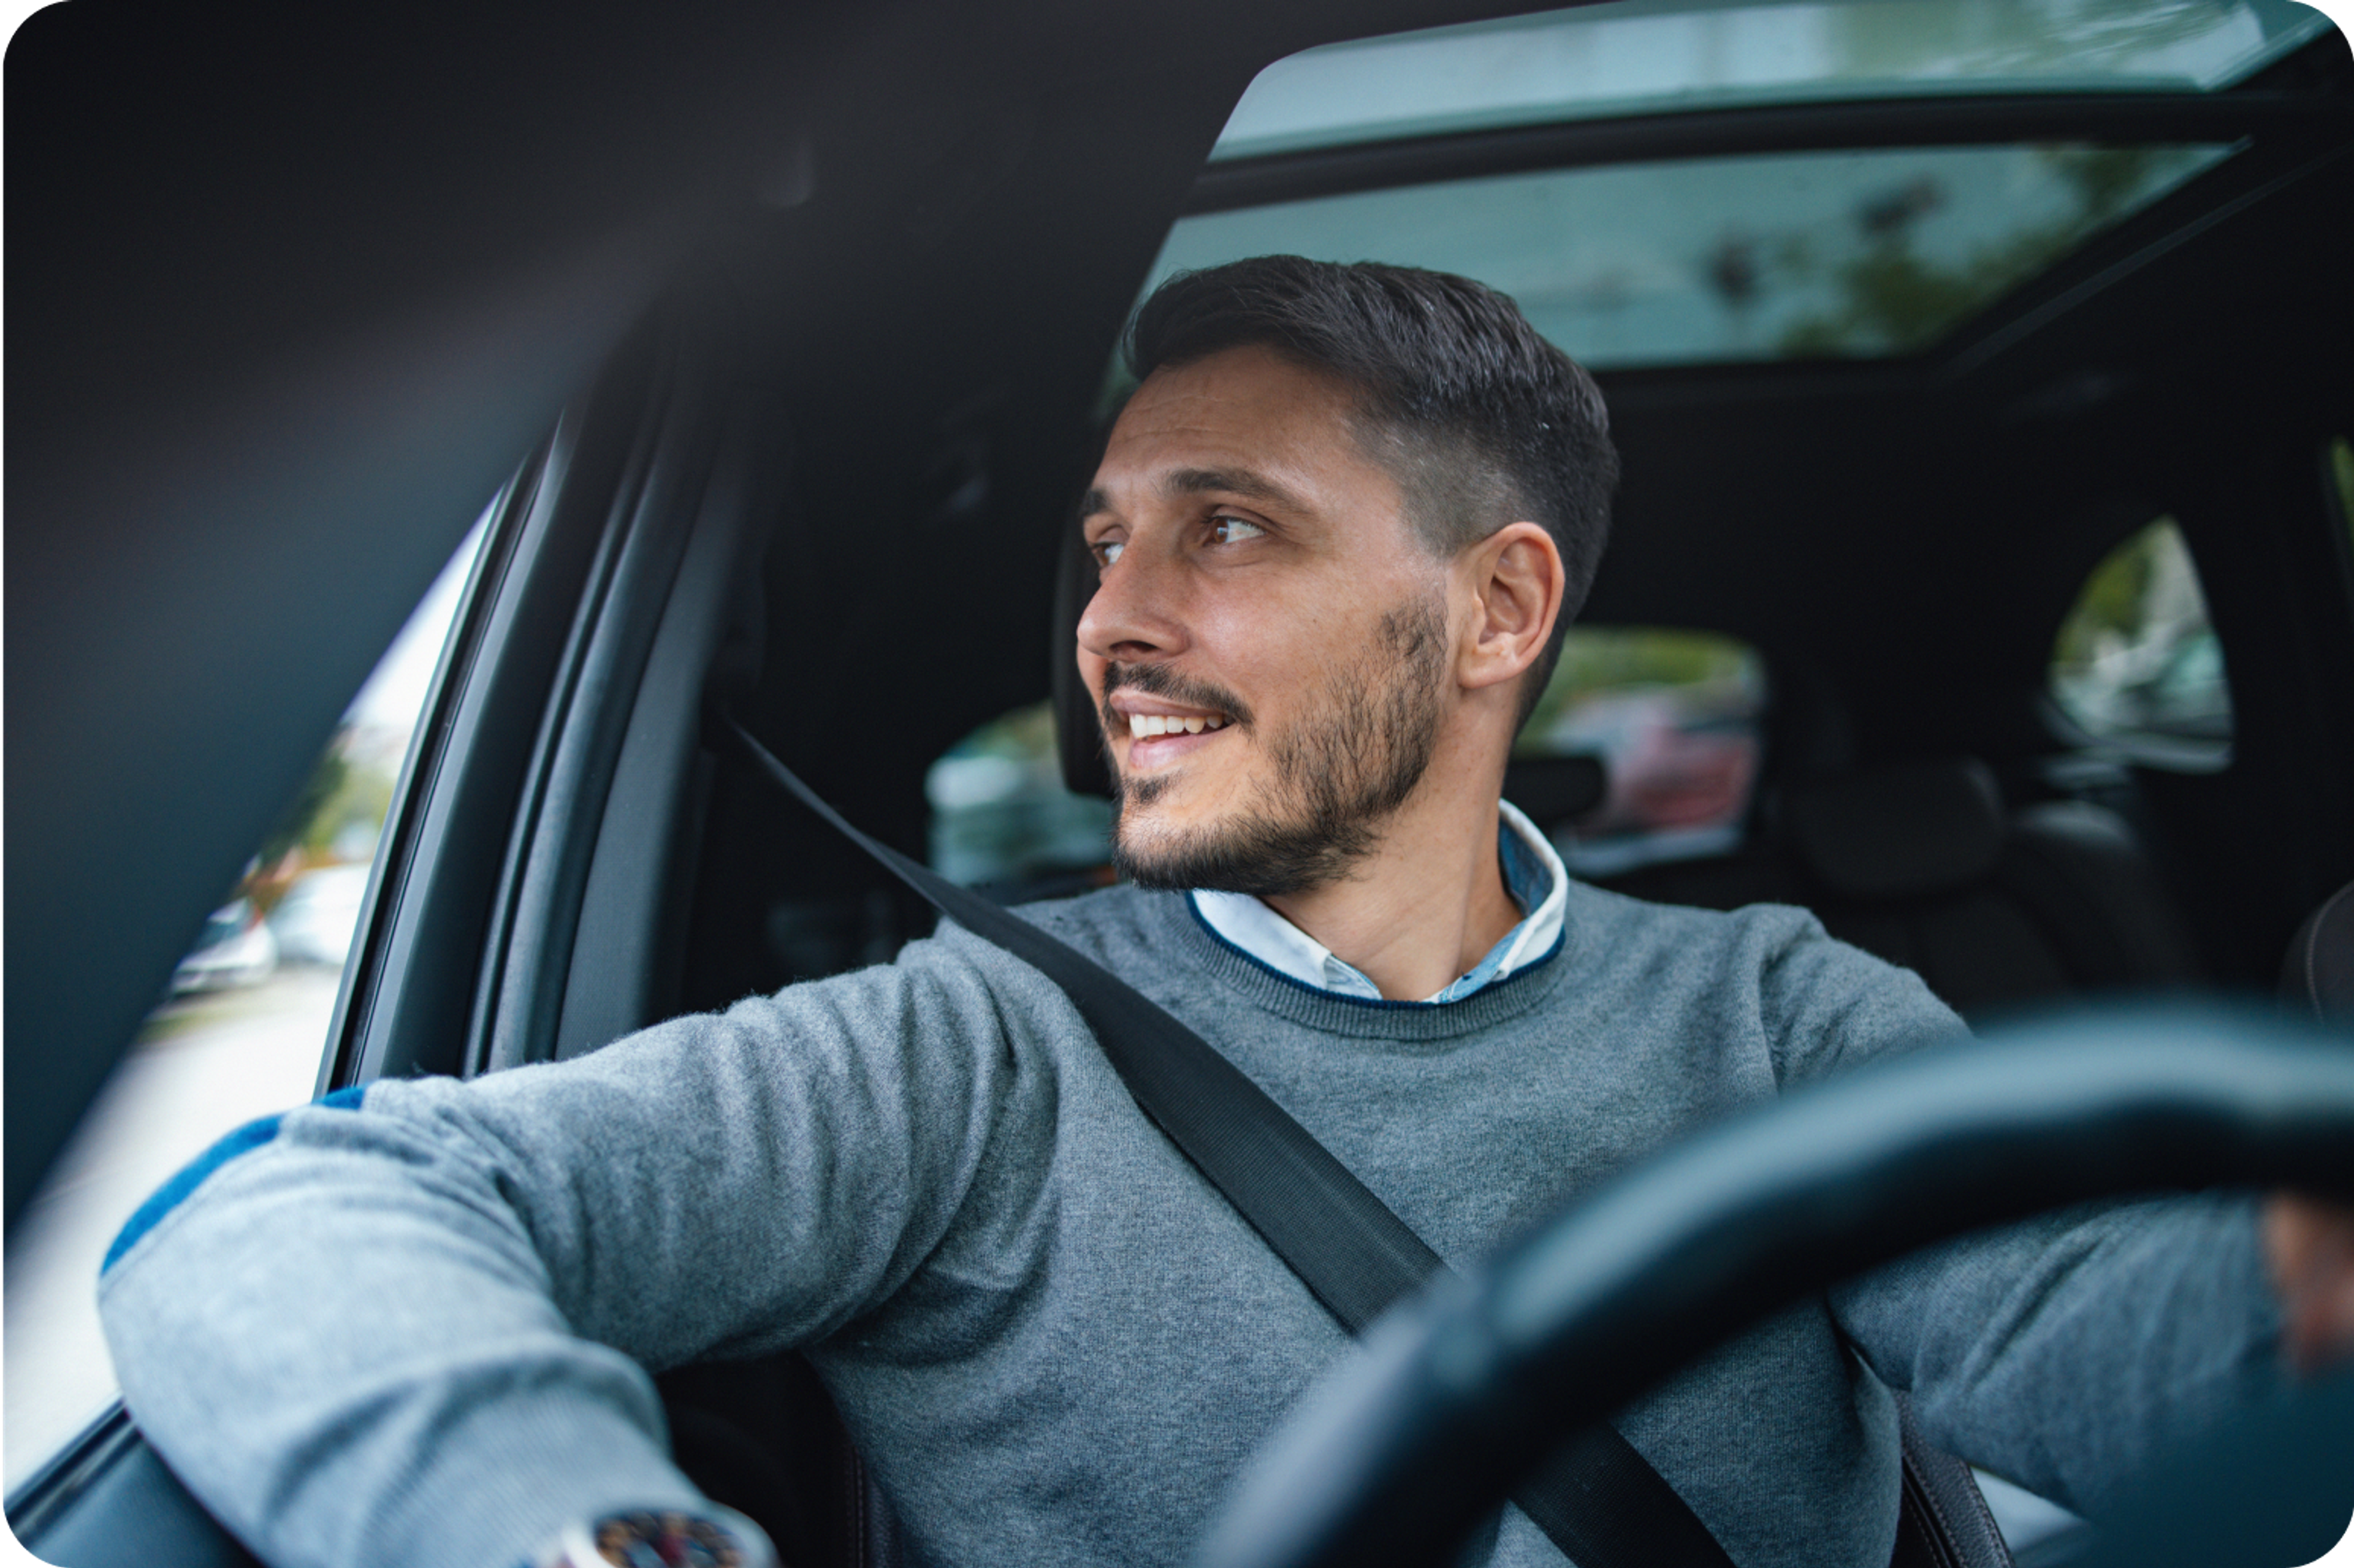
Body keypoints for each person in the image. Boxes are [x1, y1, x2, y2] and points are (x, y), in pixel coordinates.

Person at [99, 257, 2353, 1568]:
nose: (1114, 625)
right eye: (1103, 542)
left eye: (1229, 531)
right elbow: (287, 1210)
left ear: (1498, 609)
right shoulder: (970, 1048)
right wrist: (586, 1541)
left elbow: (2132, 1323)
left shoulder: (1784, 1015)